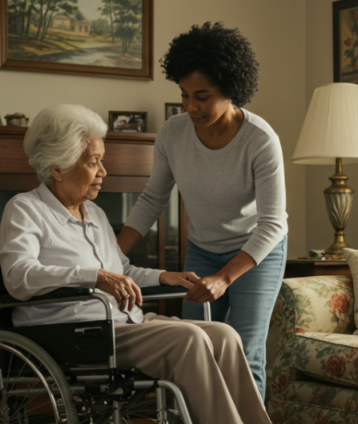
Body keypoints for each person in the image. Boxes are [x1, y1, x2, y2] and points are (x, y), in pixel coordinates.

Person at [0, 104, 314, 424]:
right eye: (93, 162)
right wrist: (94, 276)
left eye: (102, 161)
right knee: (190, 338)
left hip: (119, 324)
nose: (103, 172)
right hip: (74, 333)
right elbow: (18, 277)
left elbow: (122, 272)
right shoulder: (25, 210)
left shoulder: (92, 214)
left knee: (222, 334)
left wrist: (166, 276)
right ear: (57, 168)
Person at [117, 22, 287, 403]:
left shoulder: (260, 140)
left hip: (255, 254)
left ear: (231, 90)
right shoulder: (173, 134)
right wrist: (110, 256)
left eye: (202, 97)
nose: (190, 106)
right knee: (194, 350)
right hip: (203, 250)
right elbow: (151, 201)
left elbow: (273, 222)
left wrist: (225, 278)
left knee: (245, 352)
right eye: (184, 95)